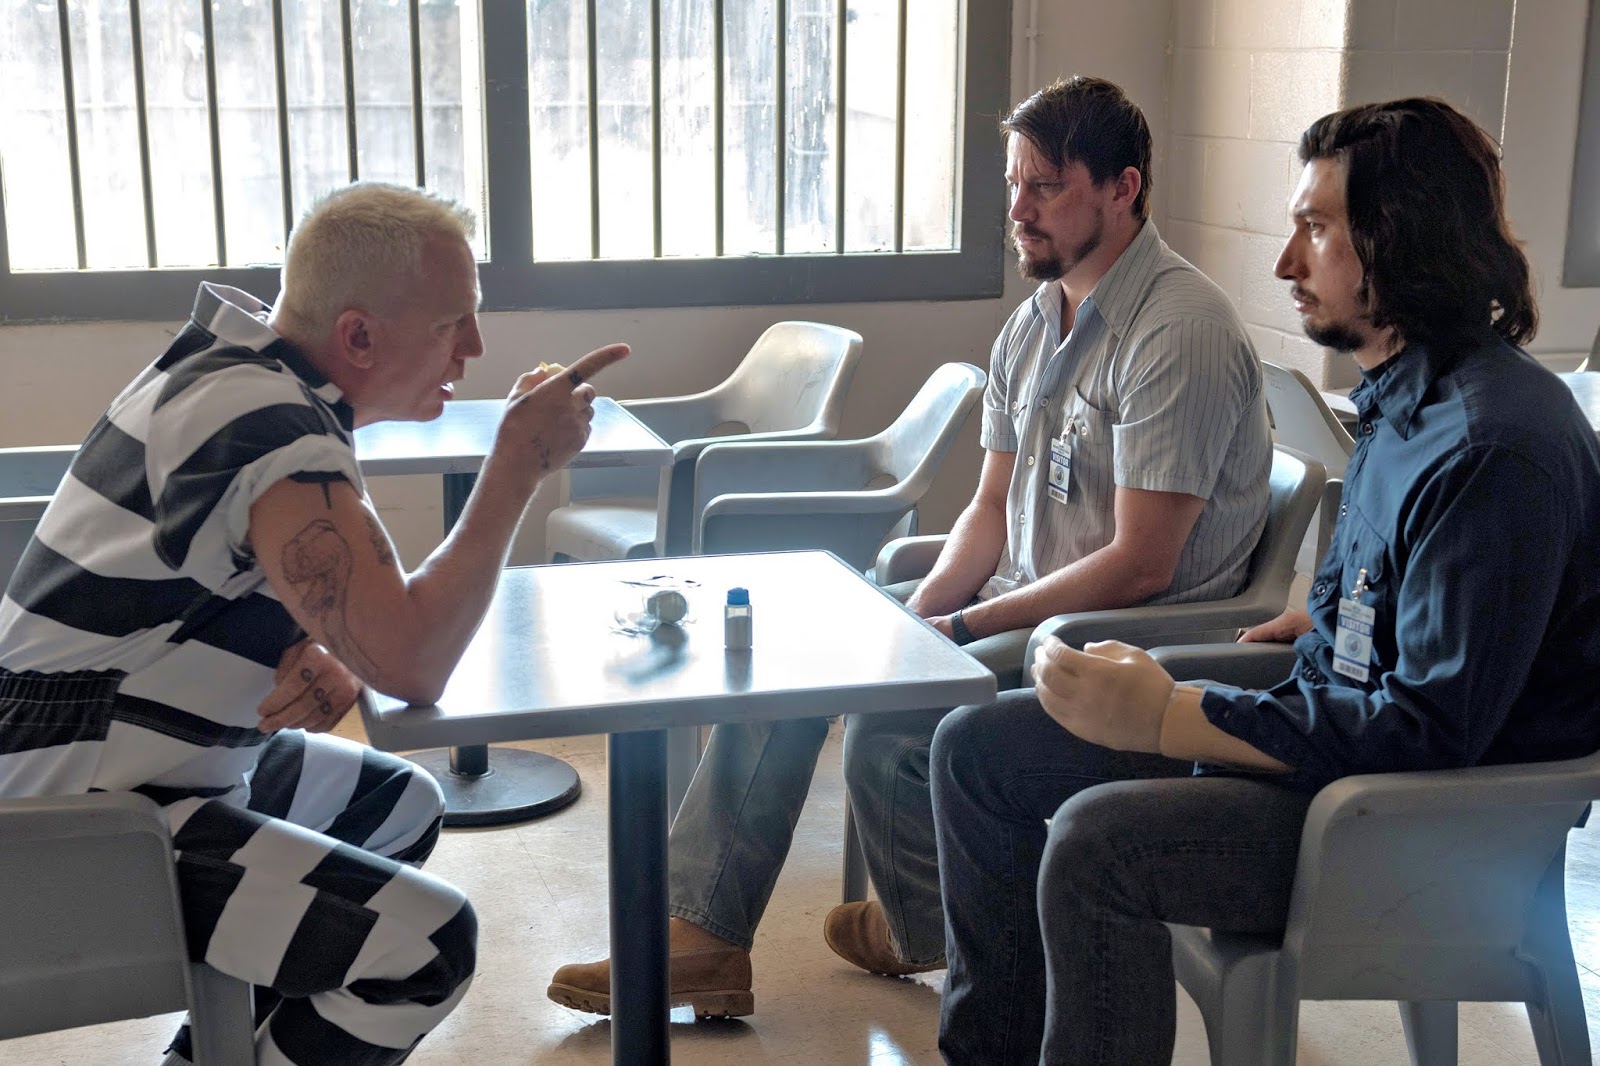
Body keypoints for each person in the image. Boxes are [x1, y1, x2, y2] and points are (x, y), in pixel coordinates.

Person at [546, 75, 1272, 1018]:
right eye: (1012, 184)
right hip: (1031, 605)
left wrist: (961, 628)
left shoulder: (1178, 332)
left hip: (1119, 640)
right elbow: (990, 508)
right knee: (802, 651)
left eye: (1046, 187)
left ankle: (927, 921)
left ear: (1123, 187)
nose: (1018, 211)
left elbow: (1143, 564)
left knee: (890, 726)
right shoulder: (1035, 322)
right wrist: (921, 613)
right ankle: (706, 935)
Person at [931, 95, 1600, 1064]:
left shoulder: (1495, 448)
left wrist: (1175, 714)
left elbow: (1427, 732)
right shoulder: (1404, 396)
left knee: (1093, 844)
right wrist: (1324, 622)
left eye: (1316, 229)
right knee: (975, 749)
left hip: (1401, 828)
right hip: (1338, 751)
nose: (1286, 263)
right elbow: (1410, 618)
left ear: (1401, 235)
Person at [0, 182, 628, 1065]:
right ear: (358, 335)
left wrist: (323, 641)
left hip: (112, 765)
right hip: (71, 821)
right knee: (426, 948)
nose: (475, 349)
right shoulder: (269, 426)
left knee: (393, 804)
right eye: (453, 323)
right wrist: (520, 464)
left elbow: (302, 606)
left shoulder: (237, 372)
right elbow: (413, 661)